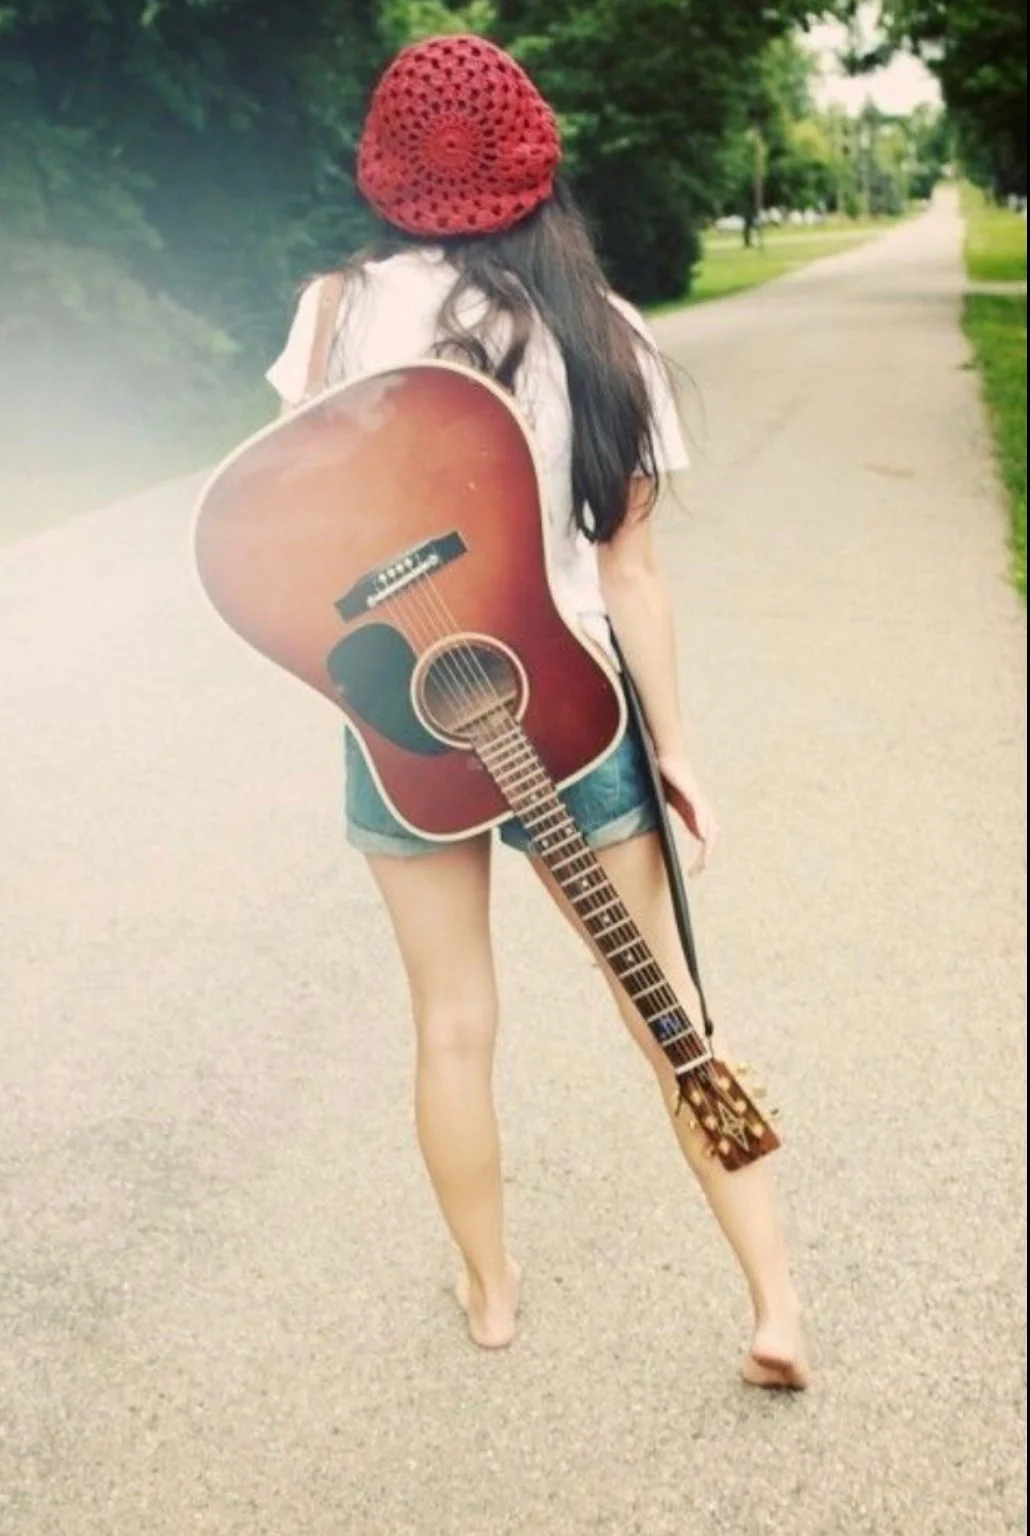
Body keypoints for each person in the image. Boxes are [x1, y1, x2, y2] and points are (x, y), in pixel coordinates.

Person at [266, 33, 808, 1388]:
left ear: (384, 174)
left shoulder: (334, 315)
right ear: (534, 169)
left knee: (451, 1021)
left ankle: (491, 1290)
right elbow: (627, 566)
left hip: (405, 725)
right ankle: (772, 1305)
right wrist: (671, 746)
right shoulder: (600, 325)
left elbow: (302, 540)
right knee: (667, 1016)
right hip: (564, 709)